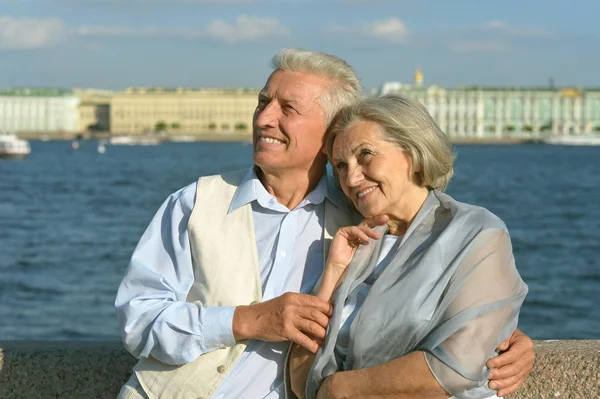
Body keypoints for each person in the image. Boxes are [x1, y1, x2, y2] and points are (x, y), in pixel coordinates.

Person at [115, 49, 534, 399]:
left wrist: (509, 338)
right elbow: (137, 320)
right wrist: (245, 320)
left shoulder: (362, 223)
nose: (263, 119)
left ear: (330, 131)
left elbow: (430, 282)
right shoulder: (194, 203)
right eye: (263, 102)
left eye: (287, 109)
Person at [288, 94, 529, 399]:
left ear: (412, 154)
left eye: (365, 155)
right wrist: (333, 272)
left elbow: (455, 367)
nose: (351, 176)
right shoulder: (353, 243)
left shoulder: (476, 232)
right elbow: (300, 379)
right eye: (339, 165)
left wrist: (342, 387)